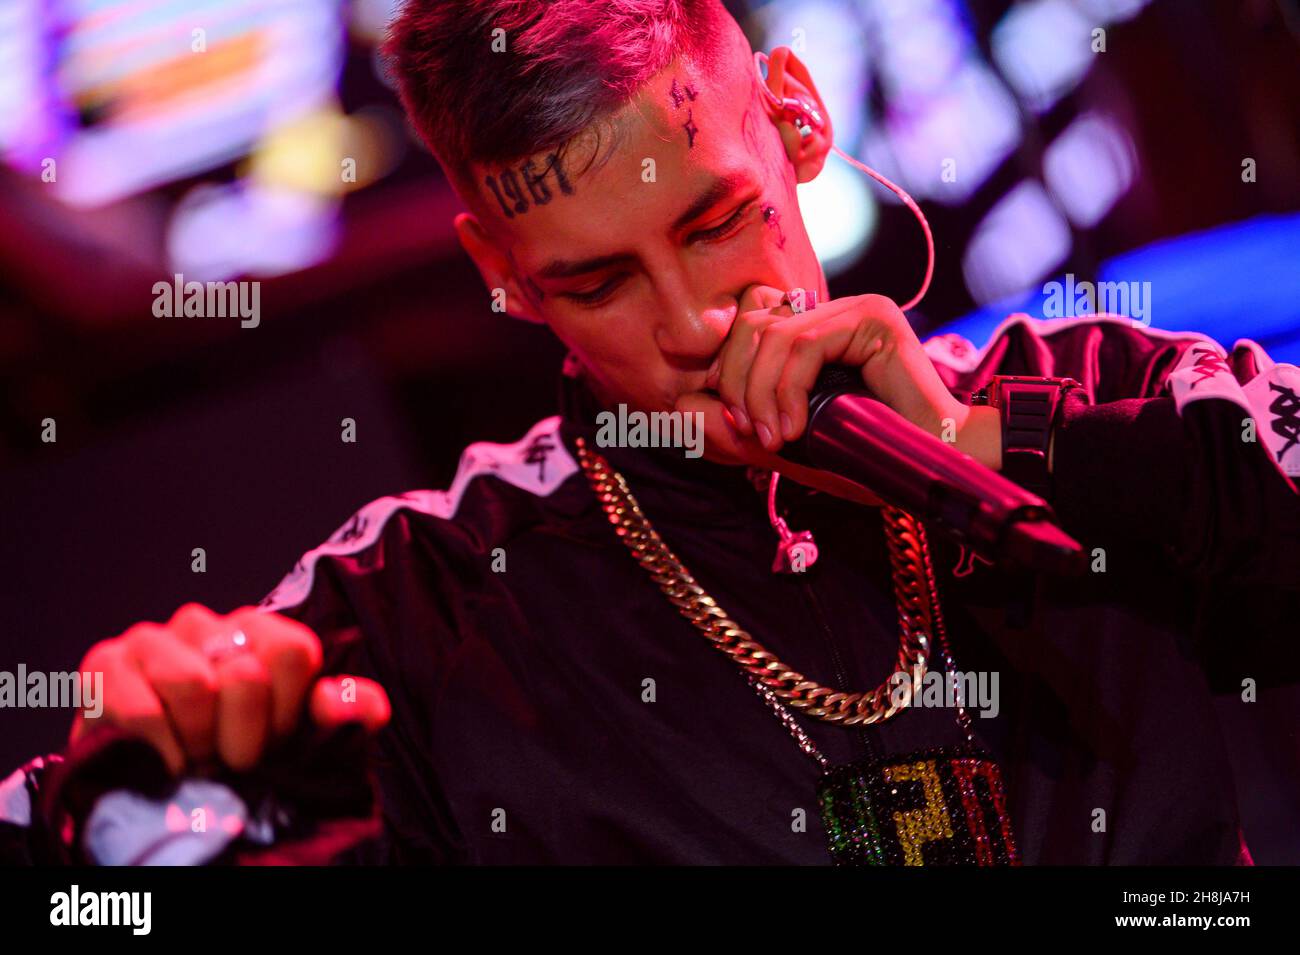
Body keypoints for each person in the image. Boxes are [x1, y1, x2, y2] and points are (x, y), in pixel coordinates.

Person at [3, 0, 1298, 865]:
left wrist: (989, 444)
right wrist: (145, 802)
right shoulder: (423, 606)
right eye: (595, 282)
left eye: (711, 222)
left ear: (794, 121)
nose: (689, 324)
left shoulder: (1105, 386)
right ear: (500, 268)